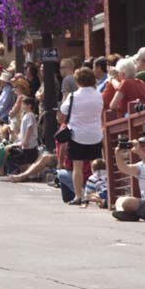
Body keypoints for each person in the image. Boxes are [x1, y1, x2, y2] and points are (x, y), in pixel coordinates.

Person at [58, 67, 103, 205]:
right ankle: (97, 193)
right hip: (95, 133)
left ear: (77, 81)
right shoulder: (98, 95)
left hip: (77, 134)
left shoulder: (73, 96)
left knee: (77, 165)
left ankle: (79, 196)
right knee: (96, 166)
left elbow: (63, 110)